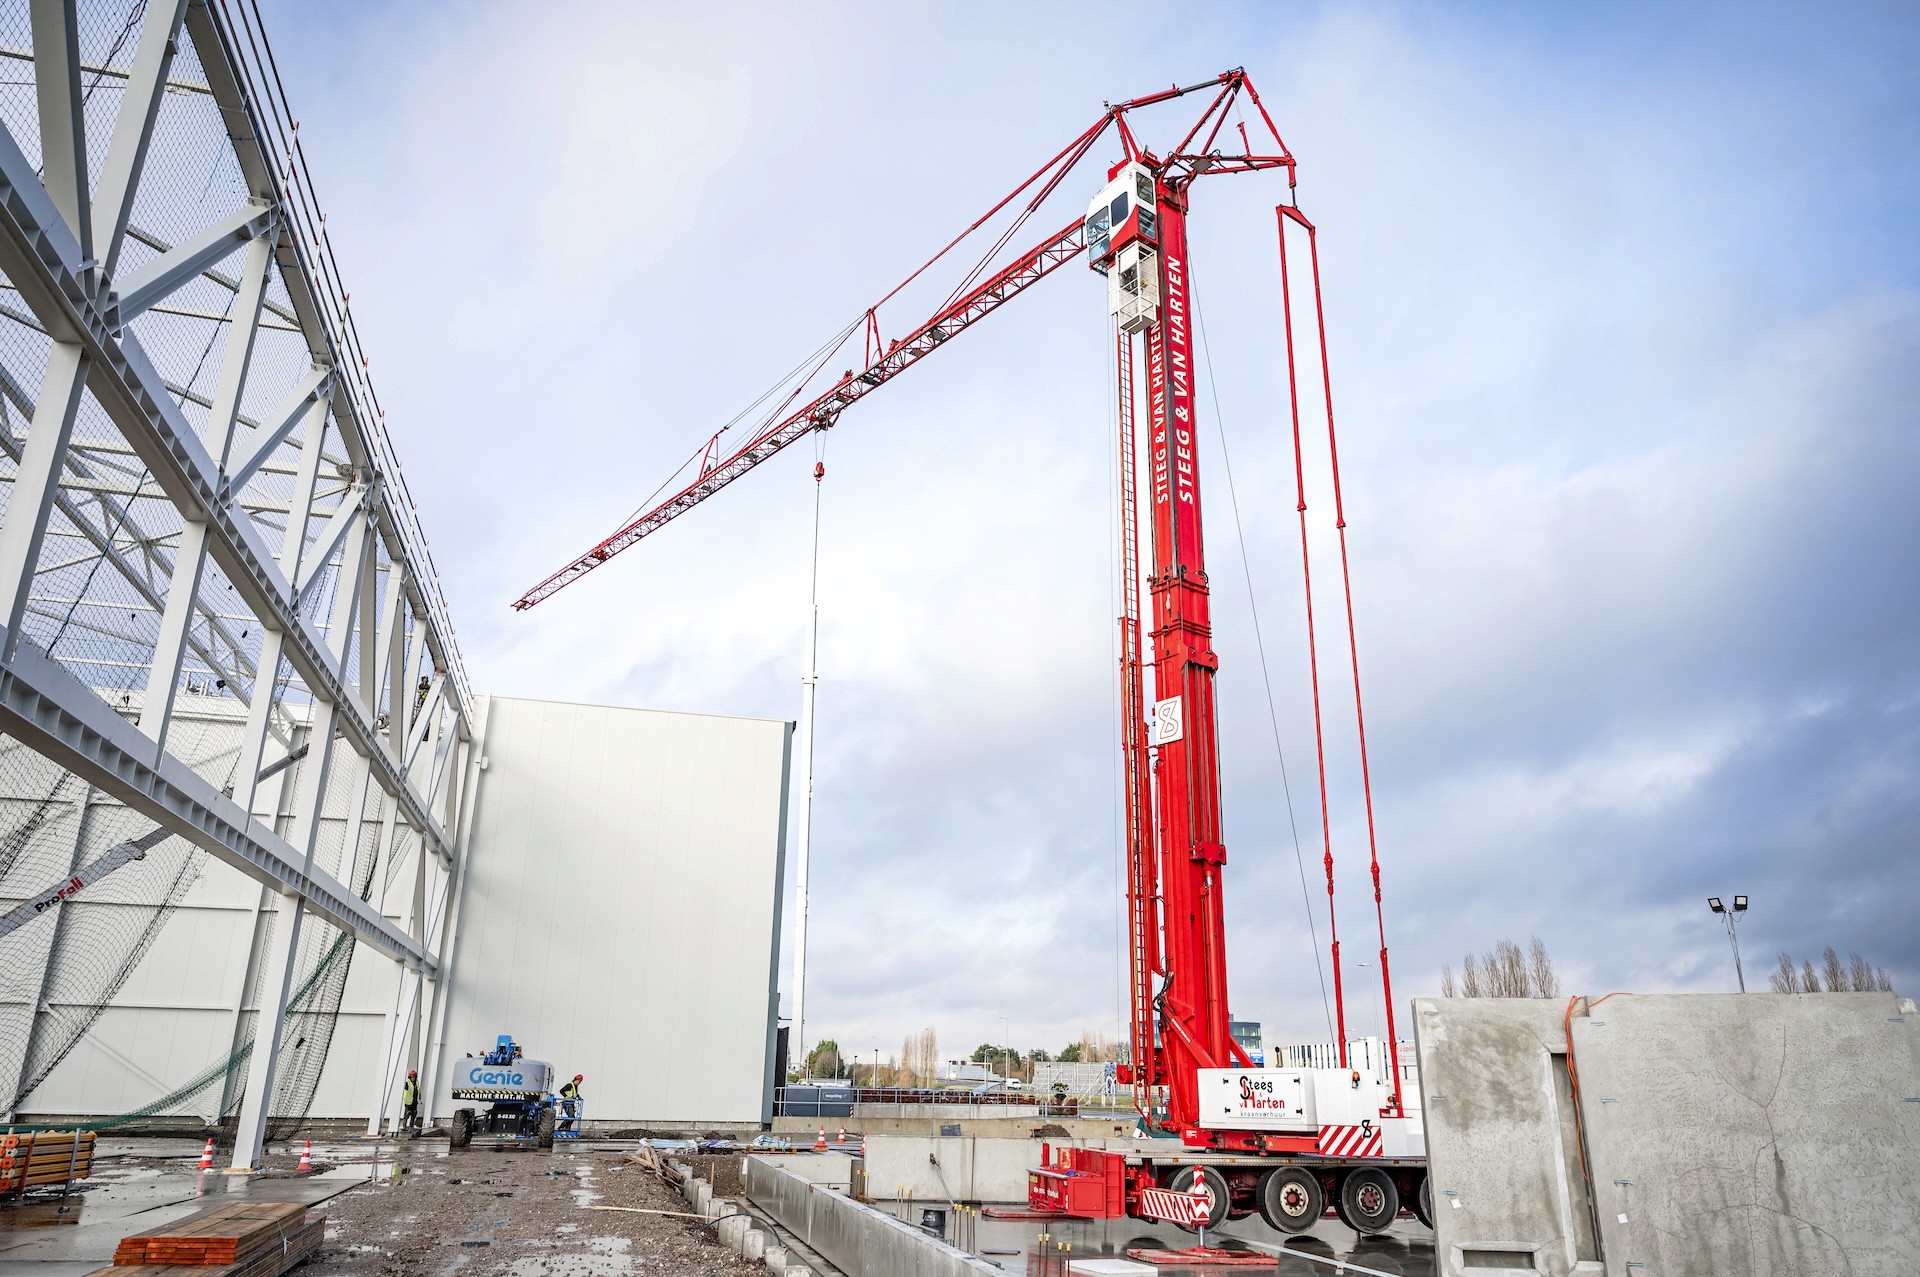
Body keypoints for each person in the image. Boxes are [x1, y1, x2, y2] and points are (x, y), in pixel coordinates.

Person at [401, 1069, 421, 1135]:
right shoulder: (407, 1083)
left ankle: (411, 1126)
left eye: (414, 1077)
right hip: (408, 1101)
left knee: (414, 1114)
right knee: (407, 1114)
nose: (413, 1078)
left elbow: (418, 1090)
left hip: (414, 1101)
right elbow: (405, 1092)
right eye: (412, 1077)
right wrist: (405, 1099)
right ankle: (404, 1126)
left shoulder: (417, 1082)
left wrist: (419, 1098)